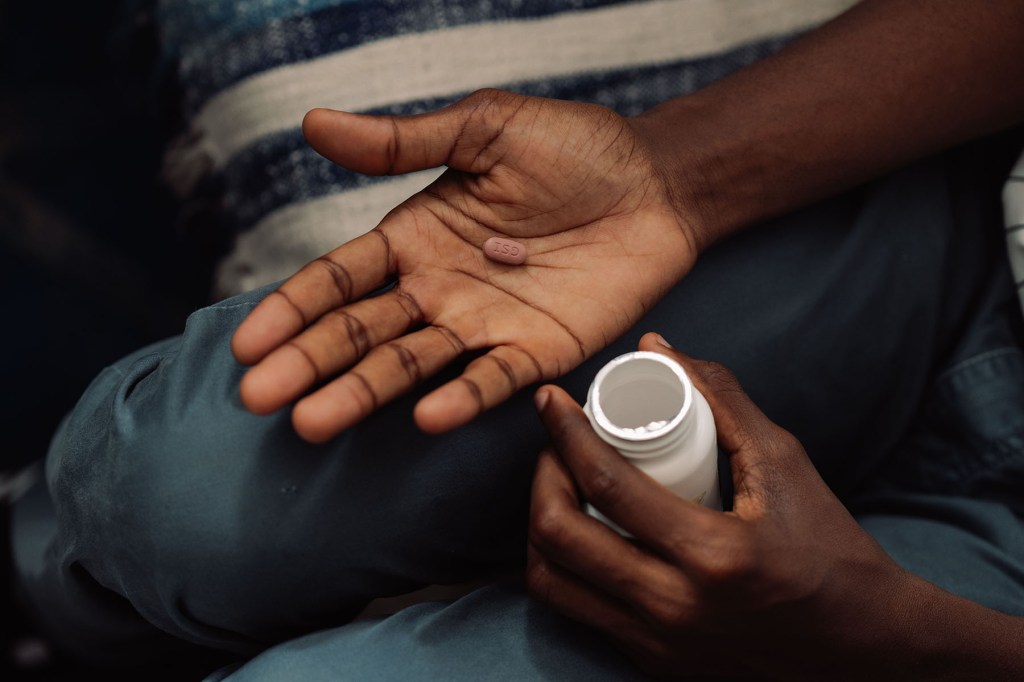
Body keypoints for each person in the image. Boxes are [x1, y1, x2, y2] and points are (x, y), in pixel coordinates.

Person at [8, 0, 1024, 679]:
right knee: (178, 489)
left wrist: (890, 634)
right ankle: (40, 599)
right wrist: (674, 177)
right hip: (958, 230)